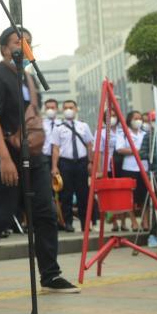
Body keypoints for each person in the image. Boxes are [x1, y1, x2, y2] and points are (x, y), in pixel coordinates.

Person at [0, 27, 80, 295]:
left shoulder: (29, 78)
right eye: (17, 42)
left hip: (33, 157)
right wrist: (4, 159)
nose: (23, 46)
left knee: (45, 213)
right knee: (1, 216)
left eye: (28, 43)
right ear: (4, 48)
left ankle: (51, 274)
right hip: (3, 158)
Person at [50, 99, 94, 233]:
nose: (68, 110)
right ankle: (68, 223)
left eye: (71, 107)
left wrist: (91, 162)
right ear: (62, 110)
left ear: (76, 109)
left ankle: (85, 223)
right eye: (66, 108)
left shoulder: (83, 126)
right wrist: (54, 166)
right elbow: (55, 148)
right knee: (66, 195)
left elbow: (89, 145)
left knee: (83, 194)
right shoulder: (58, 128)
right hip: (65, 163)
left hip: (81, 162)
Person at [116, 111, 151, 232]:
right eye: (135, 118)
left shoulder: (145, 134)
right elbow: (120, 149)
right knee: (130, 197)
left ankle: (145, 222)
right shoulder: (123, 133)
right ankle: (134, 222)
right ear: (130, 120)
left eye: (140, 118)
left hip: (144, 168)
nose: (138, 121)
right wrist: (136, 151)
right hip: (129, 168)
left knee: (144, 196)